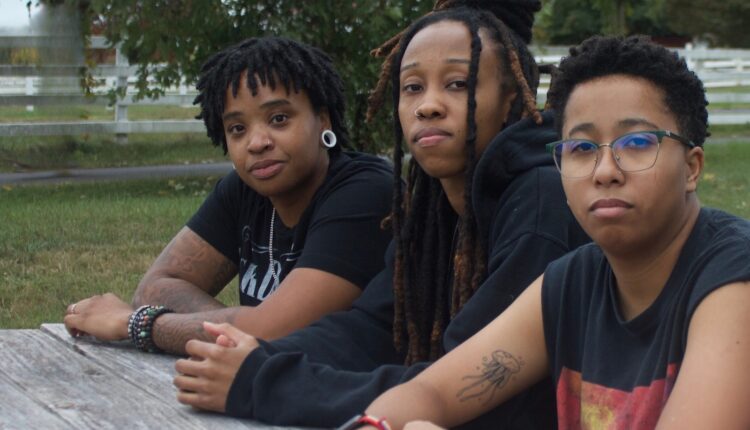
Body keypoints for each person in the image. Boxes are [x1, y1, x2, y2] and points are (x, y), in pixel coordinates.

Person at [171, 2, 589, 428]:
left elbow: (463, 389)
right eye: (411, 87)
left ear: (510, 100)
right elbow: (371, 329)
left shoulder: (542, 206)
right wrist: (256, 354)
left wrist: (264, 381)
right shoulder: (434, 210)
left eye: (458, 83)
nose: (428, 105)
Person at [362, 35, 750, 430]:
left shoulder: (733, 278)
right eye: (581, 149)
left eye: (636, 143)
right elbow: (433, 393)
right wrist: (376, 424)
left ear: (691, 167)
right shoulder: (572, 283)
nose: (605, 172)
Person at [62, 36, 394, 356]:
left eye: (279, 119)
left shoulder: (366, 193)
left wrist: (137, 325)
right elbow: (156, 286)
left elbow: (275, 331)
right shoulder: (245, 189)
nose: (257, 142)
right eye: (238, 128)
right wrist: (240, 330)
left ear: (323, 119)